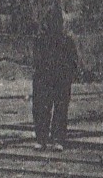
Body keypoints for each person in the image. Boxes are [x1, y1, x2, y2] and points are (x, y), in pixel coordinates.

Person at [31, 8, 80, 150]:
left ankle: (44, 139)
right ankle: (54, 139)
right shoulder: (65, 40)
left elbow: (73, 61)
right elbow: (74, 61)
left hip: (50, 78)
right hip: (55, 78)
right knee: (58, 109)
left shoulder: (43, 39)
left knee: (45, 109)